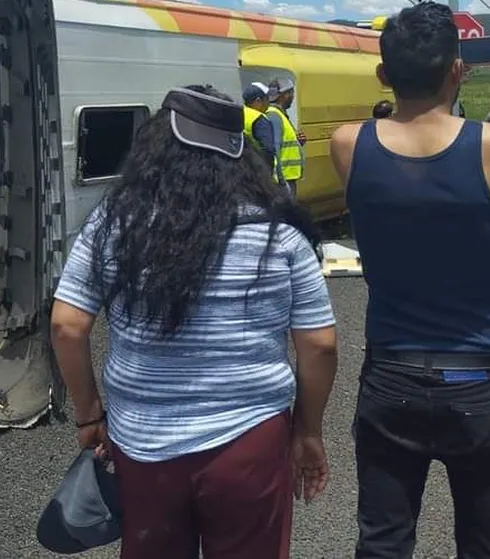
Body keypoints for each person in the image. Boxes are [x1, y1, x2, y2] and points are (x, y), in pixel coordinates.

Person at [329, 3, 490, 559]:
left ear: (383, 76)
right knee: (487, 546)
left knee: (383, 542)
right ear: (458, 70)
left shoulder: (350, 144)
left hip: (390, 371)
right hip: (480, 377)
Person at [50, 85, 338, 559]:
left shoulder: (113, 224)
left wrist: (88, 414)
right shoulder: (279, 235)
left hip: (141, 442)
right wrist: (308, 431)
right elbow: (320, 345)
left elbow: (66, 326)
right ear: (241, 157)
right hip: (251, 441)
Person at [266, 79, 305, 196]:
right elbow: (274, 148)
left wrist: (298, 142)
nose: (292, 97)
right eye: (291, 93)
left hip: (287, 177)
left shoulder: (280, 115)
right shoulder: (274, 115)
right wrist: (280, 179)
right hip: (283, 179)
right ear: (284, 95)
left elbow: (283, 144)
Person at [241, 82, 277, 169]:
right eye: (267, 99)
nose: (269, 103)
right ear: (258, 101)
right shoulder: (259, 118)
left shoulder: (239, 113)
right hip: (258, 171)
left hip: (242, 168)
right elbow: (268, 150)